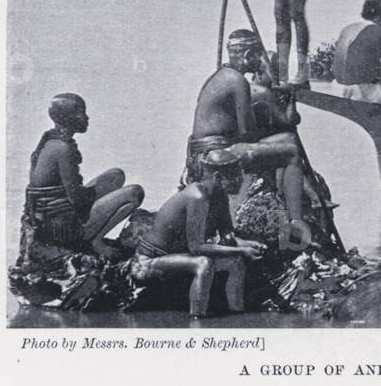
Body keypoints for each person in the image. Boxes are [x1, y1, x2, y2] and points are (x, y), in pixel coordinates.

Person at [185, 29, 306, 231]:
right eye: (257, 56)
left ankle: (285, 214)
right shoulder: (238, 81)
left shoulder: (221, 75)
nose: (259, 61)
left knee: (286, 139)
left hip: (203, 153)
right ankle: (296, 223)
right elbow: (247, 133)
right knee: (292, 152)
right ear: (248, 55)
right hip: (214, 154)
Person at [131, 150, 266, 319]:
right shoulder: (197, 196)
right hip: (147, 263)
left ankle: (238, 315)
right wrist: (241, 250)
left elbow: (227, 236)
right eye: (234, 176)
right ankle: (197, 320)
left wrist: (247, 244)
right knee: (203, 263)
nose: (240, 181)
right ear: (217, 177)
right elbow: (196, 248)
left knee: (236, 262)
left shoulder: (219, 196)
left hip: (177, 258)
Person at [23, 94, 144, 258]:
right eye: (81, 113)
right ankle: (96, 242)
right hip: (61, 229)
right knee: (134, 193)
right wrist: (97, 199)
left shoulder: (51, 140)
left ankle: (93, 233)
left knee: (115, 175)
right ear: (66, 117)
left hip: (52, 217)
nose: (86, 118)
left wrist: (96, 196)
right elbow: (76, 200)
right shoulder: (62, 149)